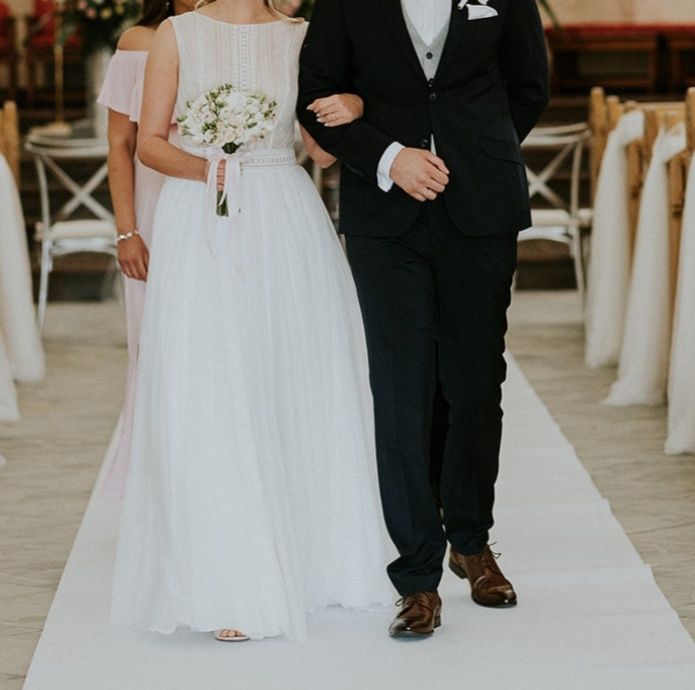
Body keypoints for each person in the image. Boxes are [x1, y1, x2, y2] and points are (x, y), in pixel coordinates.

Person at [110, 0, 392, 643]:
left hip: (285, 215)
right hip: (201, 216)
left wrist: (354, 105)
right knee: (210, 388)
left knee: (297, 380)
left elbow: (320, 154)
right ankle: (226, 579)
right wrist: (211, 167)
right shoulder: (176, 35)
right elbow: (149, 143)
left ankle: (314, 561)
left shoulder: (303, 36)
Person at [298, 0, 550, 638]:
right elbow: (315, 99)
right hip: (386, 220)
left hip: (481, 206)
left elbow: (528, 87)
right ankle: (415, 575)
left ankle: (471, 540)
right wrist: (390, 158)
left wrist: (475, 149)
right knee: (400, 390)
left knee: (475, 385)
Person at [97, 0, 195, 498]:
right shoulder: (141, 42)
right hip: (156, 204)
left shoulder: (225, 33)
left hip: (217, 200)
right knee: (157, 346)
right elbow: (120, 143)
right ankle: (155, 484)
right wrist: (127, 231)